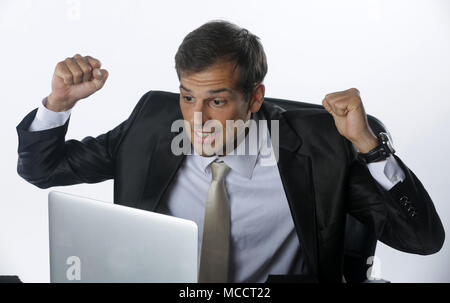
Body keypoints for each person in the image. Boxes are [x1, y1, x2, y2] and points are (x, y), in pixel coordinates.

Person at [16, 20, 444, 283]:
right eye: (187, 96)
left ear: (255, 98)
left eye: (216, 101)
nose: (196, 118)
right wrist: (59, 103)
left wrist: (369, 146)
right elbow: (42, 168)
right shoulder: (151, 121)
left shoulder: (320, 149)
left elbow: (422, 240)